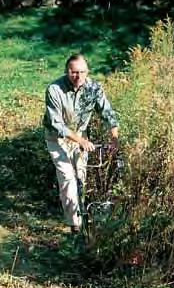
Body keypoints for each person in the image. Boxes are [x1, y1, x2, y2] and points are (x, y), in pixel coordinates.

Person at [43, 54, 119, 233]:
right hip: (57, 139)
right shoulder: (54, 89)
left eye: (81, 72)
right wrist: (82, 140)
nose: (77, 76)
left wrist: (114, 137)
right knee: (68, 179)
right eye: (73, 72)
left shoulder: (94, 88)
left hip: (79, 136)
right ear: (66, 72)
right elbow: (56, 124)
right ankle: (74, 226)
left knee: (81, 178)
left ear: (87, 72)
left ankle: (85, 217)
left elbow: (107, 112)